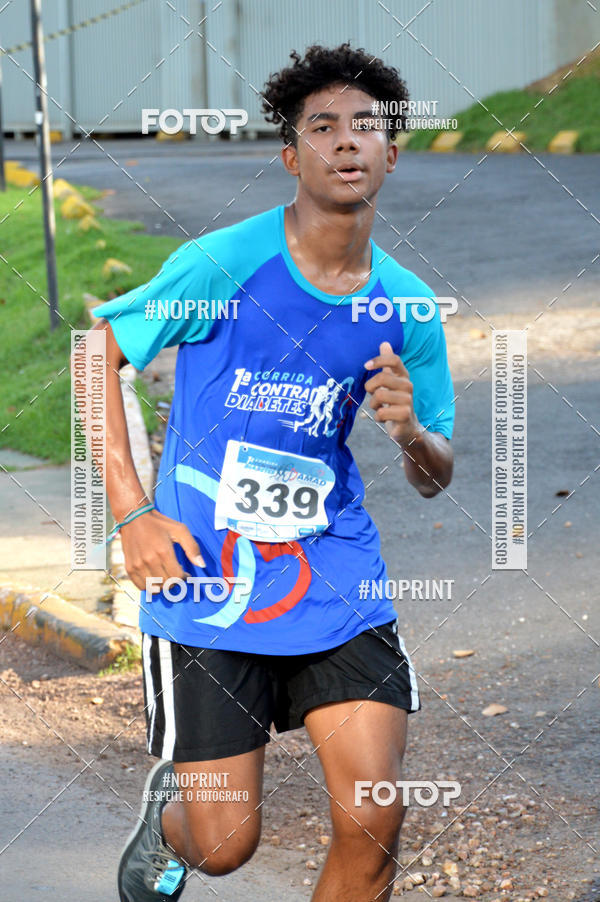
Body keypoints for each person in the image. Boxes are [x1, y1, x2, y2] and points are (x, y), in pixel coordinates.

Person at [94, 42, 454, 902]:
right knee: (224, 846)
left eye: (365, 126)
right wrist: (132, 515)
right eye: (322, 127)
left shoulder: (406, 304)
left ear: (392, 152)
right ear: (292, 156)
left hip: (332, 573)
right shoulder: (223, 264)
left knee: (374, 821)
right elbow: (95, 352)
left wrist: (410, 432)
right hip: (206, 578)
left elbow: (435, 474)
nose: (346, 140)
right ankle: (171, 820)